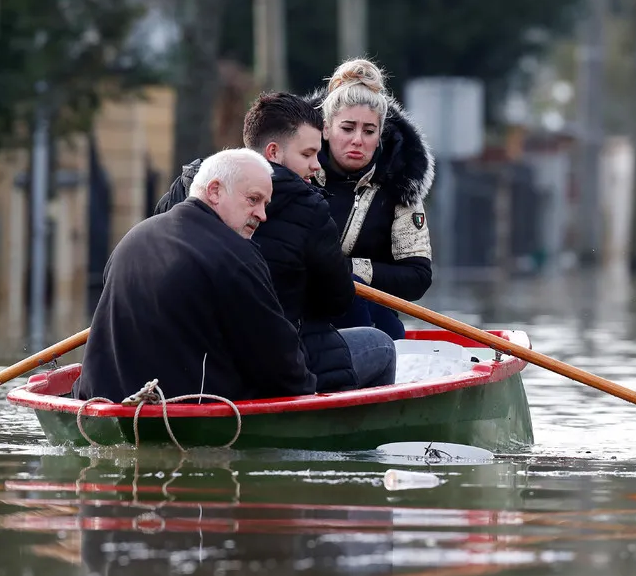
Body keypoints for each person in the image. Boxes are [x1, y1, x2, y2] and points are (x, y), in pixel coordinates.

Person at [154, 92, 396, 391]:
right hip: (269, 361)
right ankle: (351, 435)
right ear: (273, 152)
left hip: (184, 358)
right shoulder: (308, 206)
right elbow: (338, 300)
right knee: (382, 345)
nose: (317, 166)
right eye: (307, 154)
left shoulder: (190, 185)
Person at [73, 149, 319, 403]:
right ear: (214, 191)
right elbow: (281, 364)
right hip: (185, 407)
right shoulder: (236, 256)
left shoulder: (132, 238)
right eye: (253, 199)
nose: (262, 215)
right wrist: (310, 386)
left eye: (265, 204)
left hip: (103, 400)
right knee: (363, 343)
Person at [305, 58, 435, 340]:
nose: (357, 141)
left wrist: (352, 271)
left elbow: (418, 277)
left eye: (368, 131)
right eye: (347, 128)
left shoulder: (401, 186)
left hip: (372, 323)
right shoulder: (297, 173)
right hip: (299, 318)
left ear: (380, 135)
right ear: (326, 129)